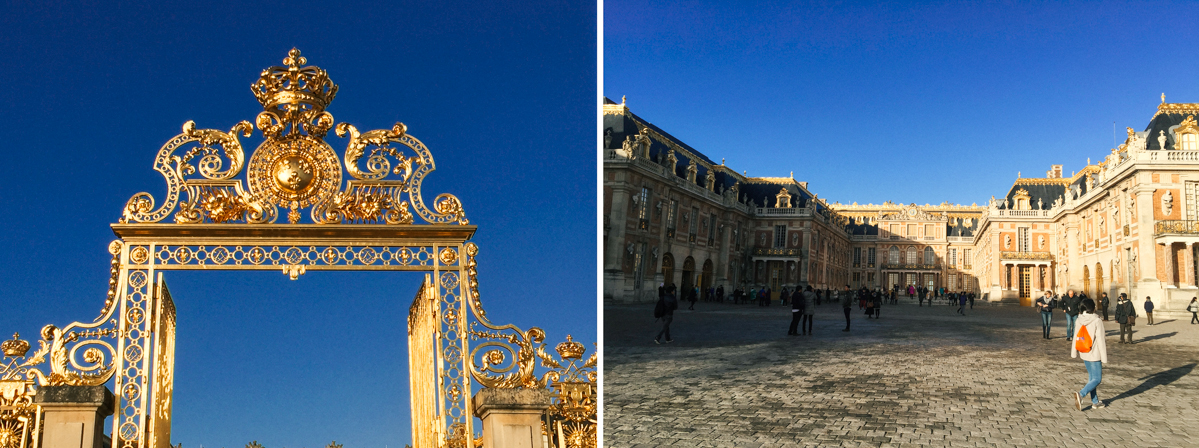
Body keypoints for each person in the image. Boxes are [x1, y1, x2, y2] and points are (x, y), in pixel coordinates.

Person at [1070, 298, 1108, 411]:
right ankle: (1081, 394)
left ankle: (1095, 401)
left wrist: (1074, 352)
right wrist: (1104, 358)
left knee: (1092, 378)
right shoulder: (1097, 320)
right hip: (1094, 353)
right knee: (1097, 379)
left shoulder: (1079, 319)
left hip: (1083, 351)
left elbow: (1075, 337)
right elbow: (1101, 340)